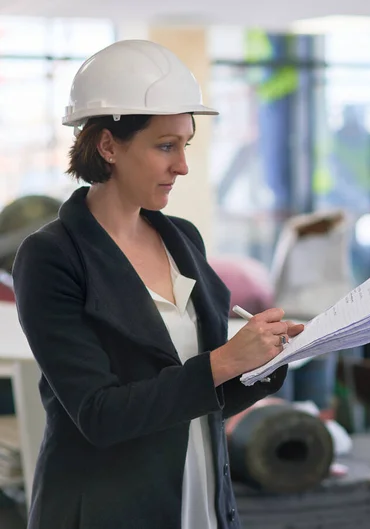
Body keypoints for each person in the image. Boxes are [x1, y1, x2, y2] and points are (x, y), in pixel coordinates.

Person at [11, 39, 303, 529]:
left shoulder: (182, 240)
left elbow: (204, 396)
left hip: (199, 499)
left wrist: (264, 361)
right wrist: (225, 360)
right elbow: (99, 414)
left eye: (185, 145)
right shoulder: (51, 257)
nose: (182, 166)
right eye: (165, 146)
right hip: (108, 508)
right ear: (108, 145)